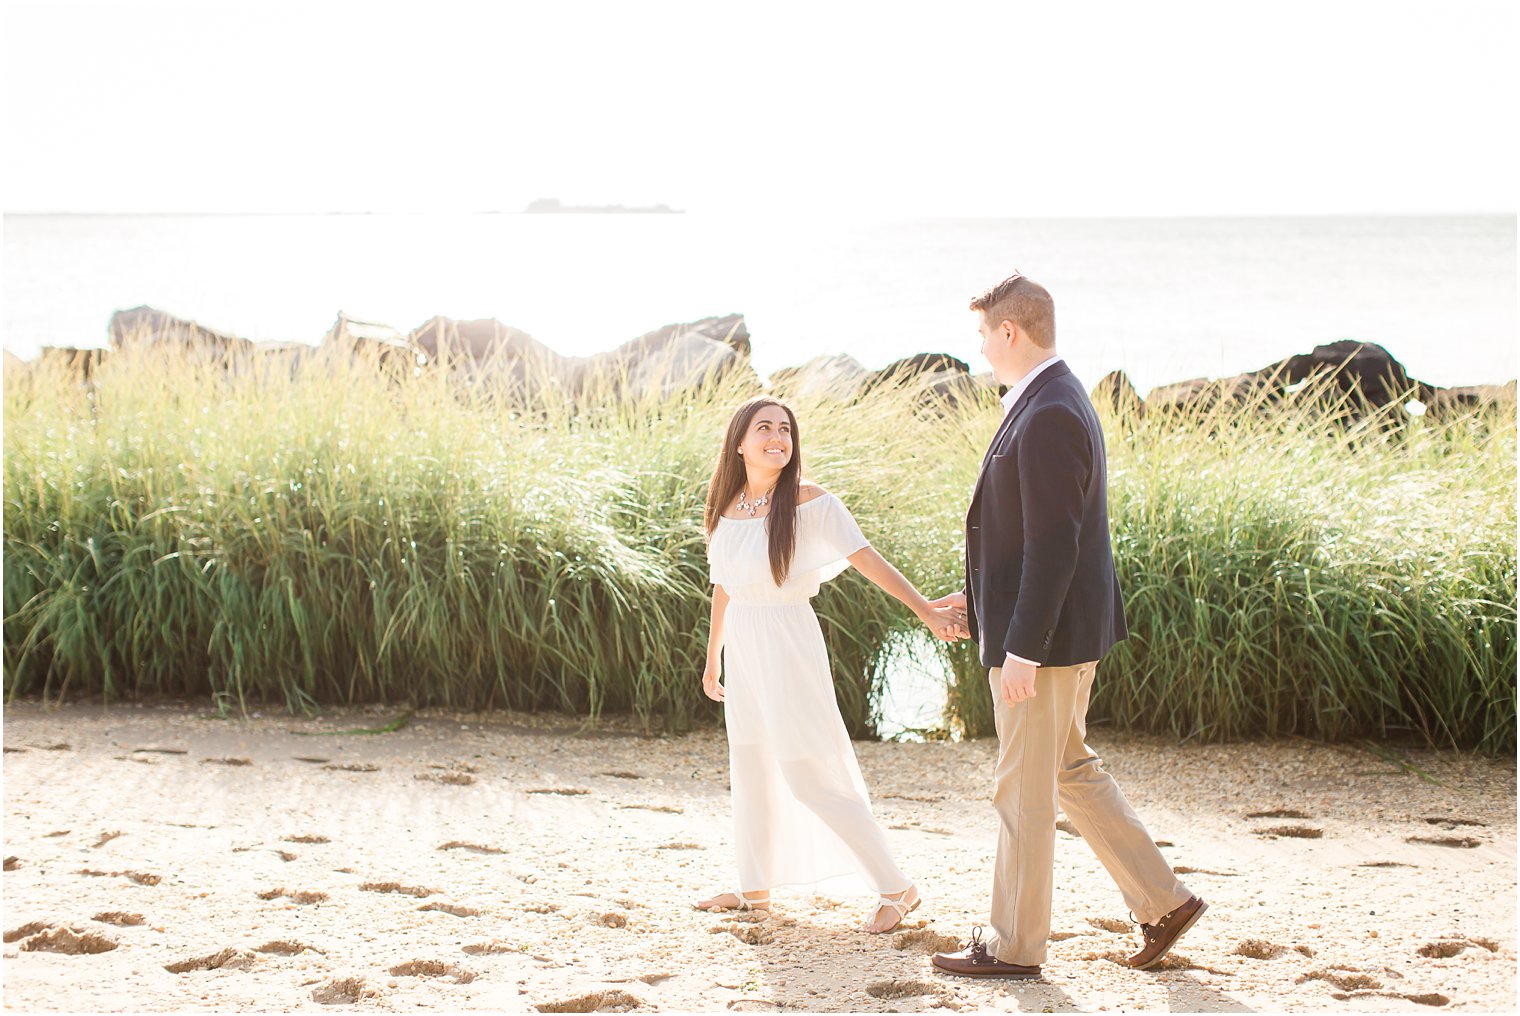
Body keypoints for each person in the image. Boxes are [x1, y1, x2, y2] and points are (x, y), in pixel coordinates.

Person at [929, 272, 1206, 979]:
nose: (982, 348)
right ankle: (1164, 901)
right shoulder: (1048, 398)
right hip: (1054, 635)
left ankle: (1012, 945)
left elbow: (1056, 545)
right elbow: (1026, 534)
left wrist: (1022, 646)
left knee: (1023, 787)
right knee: (1067, 769)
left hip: (1044, 646)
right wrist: (974, 597)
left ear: (1010, 332)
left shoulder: (1050, 409)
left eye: (984, 335)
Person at [694, 395, 966, 934]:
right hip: (745, 645)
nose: (777, 438)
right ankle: (754, 890)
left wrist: (927, 612)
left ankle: (897, 887)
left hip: (789, 638)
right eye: (764, 428)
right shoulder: (724, 508)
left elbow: (868, 559)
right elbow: (724, 587)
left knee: (806, 770)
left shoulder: (810, 502)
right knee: (751, 764)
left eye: (786, 430)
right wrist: (713, 658)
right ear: (740, 441)